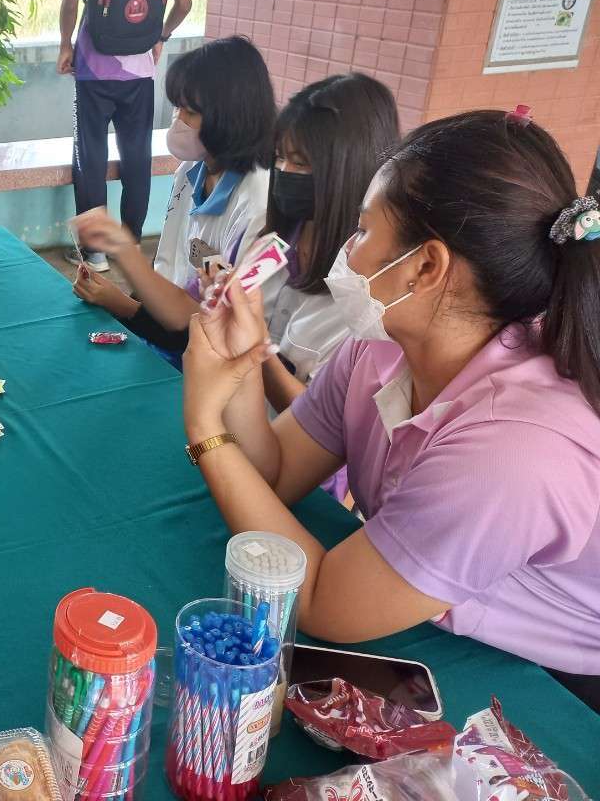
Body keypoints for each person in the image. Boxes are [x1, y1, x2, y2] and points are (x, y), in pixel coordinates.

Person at [180, 109, 600, 710]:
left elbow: (322, 602)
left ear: (426, 266)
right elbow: (274, 474)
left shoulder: (512, 451)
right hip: (425, 612)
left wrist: (205, 427)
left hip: (556, 685)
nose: (348, 251)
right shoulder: (381, 345)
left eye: (362, 229)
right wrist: (243, 364)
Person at [72, 36, 276, 359]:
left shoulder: (259, 206)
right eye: (177, 107)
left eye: (189, 112)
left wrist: (123, 255)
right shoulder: (191, 172)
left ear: (230, 118)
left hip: (205, 361)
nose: (178, 121)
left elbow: (207, 326)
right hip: (166, 339)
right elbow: (173, 275)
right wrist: (123, 298)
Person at [210, 73, 400, 412]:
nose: (283, 171)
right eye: (279, 157)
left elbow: (321, 423)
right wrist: (222, 308)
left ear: (348, 170)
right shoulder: (273, 242)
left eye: (299, 162)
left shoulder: (365, 296)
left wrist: (255, 348)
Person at [58, 0, 195, 272]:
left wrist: (65, 45)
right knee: (137, 156)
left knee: (90, 156)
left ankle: (95, 253)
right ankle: (130, 249)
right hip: (140, 71)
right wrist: (160, 36)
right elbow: (184, 2)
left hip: (93, 69)